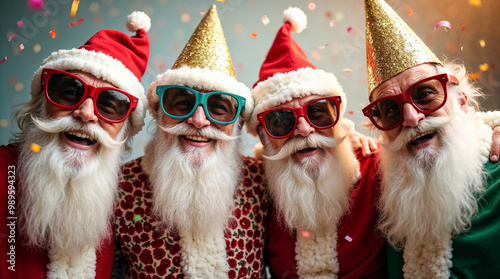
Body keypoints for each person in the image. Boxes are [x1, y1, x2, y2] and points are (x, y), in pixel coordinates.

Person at [113, 5, 269, 278]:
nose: (198, 120)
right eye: (182, 103)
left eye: (218, 108)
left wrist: (347, 142)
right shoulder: (119, 188)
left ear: (238, 123)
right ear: (158, 112)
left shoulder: (261, 181)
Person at [0, 11, 150, 279]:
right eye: (70, 91)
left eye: (110, 105)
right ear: (41, 105)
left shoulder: (125, 201)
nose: (86, 113)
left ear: (124, 129)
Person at [362, 0, 500, 277]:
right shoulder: (377, 184)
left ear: (461, 99)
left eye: (425, 94)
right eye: (390, 110)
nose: (412, 118)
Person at [245, 7, 386, 278]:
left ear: (338, 119)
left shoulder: (378, 167)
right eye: (280, 121)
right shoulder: (254, 187)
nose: (304, 129)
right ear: (263, 137)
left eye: (318, 112)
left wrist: (491, 129)